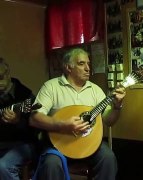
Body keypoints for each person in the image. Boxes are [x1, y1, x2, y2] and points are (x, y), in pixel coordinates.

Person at [29, 48, 126, 180]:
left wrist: (117, 106)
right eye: (82, 63)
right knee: (51, 163)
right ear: (68, 67)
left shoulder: (95, 90)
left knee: (108, 157)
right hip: (59, 144)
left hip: (89, 144)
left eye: (88, 63)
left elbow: (109, 121)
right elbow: (34, 118)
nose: (88, 68)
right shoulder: (51, 87)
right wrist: (63, 125)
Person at [0, 58, 39, 180]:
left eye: (0, 77)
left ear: (8, 74)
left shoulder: (25, 96)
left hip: (24, 144)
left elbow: (36, 127)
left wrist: (18, 122)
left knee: (3, 166)